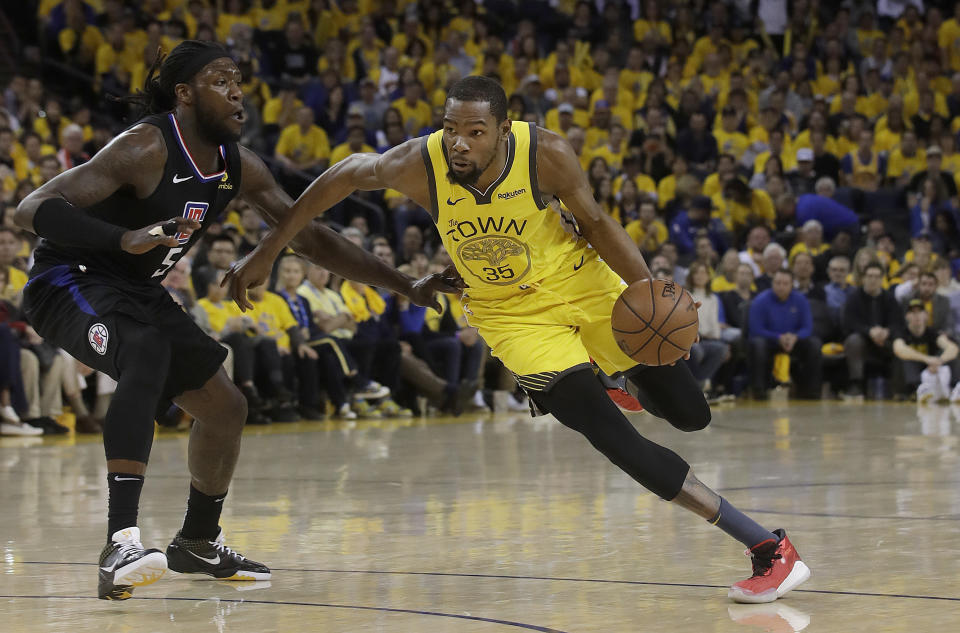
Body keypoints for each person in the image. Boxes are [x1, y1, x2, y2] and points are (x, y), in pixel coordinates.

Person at [225, 75, 810, 603]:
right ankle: (767, 547)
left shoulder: (546, 154)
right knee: (614, 440)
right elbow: (344, 175)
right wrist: (267, 250)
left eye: (475, 132)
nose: (459, 143)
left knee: (690, 415)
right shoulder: (418, 164)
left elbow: (601, 224)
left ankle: (615, 375)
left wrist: (649, 290)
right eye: (450, 128)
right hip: (511, 318)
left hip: (584, 287)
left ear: (504, 130)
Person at [14, 41, 455, 600]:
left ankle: (196, 541)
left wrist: (406, 284)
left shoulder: (237, 166)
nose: (237, 91)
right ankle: (119, 543)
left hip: (136, 291)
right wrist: (122, 238)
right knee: (146, 349)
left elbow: (310, 236)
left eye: (239, 80)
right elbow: (33, 210)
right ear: (185, 94)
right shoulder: (147, 146)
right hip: (68, 280)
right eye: (221, 80)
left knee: (225, 407)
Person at [748, 269, 823, 400]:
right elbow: (756, 329)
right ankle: (759, 390)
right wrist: (778, 337)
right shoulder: (760, 301)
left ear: (791, 285)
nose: (781, 286)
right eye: (778, 283)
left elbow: (807, 327)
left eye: (785, 283)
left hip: (794, 341)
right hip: (770, 341)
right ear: (772, 283)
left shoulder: (801, 300)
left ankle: (811, 390)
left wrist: (795, 337)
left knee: (815, 344)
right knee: (758, 344)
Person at [842, 263, 904, 398]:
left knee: (900, 343)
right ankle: (856, 384)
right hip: (863, 341)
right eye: (869, 276)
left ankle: (900, 390)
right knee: (854, 341)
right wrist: (870, 332)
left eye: (877, 276)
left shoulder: (889, 298)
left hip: (885, 341)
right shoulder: (854, 297)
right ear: (863, 278)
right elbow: (849, 323)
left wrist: (886, 332)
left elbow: (898, 323)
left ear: (882, 279)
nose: (873, 280)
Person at [893, 300, 960, 402]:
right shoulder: (901, 332)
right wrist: (927, 359)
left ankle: (954, 389)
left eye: (920, 312)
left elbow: (953, 348)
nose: (917, 316)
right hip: (914, 374)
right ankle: (916, 391)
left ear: (926, 315)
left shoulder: (932, 333)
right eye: (913, 312)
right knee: (904, 358)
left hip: (931, 371)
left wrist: (939, 360)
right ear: (907, 316)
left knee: (952, 357)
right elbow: (899, 349)